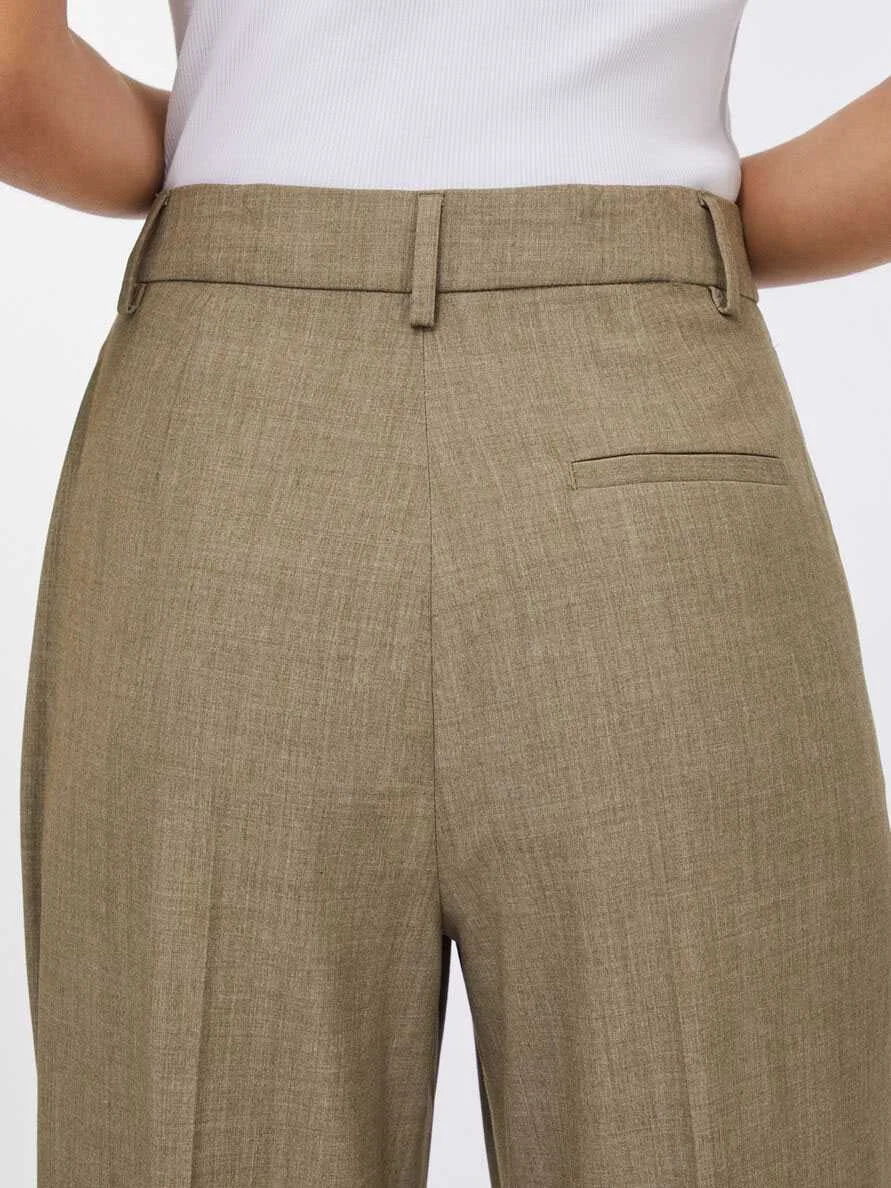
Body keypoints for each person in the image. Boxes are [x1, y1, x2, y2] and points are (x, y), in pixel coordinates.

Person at [3, 2, 890, 1185]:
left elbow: (9, 71)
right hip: (650, 408)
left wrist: (222, 156)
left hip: (229, 423)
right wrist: (673, 235)